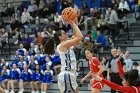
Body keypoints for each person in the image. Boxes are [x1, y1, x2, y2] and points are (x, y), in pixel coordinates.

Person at [44, 16, 83, 92]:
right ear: (61, 37)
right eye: (64, 33)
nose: (67, 34)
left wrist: (75, 23)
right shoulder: (64, 45)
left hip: (67, 74)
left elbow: (76, 36)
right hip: (67, 74)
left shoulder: (66, 43)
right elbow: (80, 36)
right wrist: (72, 23)